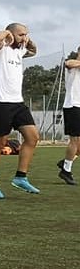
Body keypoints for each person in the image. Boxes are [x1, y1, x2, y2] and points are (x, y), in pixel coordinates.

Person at [0, 23, 41, 199]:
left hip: (17, 103)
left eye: (26, 34)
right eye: (21, 34)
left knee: (33, 137)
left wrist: (27, 40)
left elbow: (34, 50)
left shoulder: (19, 51)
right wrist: (8, 32)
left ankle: (20, 177)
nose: (24, 37)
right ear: (11, 34)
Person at [58, 48, 80, 185]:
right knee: (74, 140)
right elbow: (68, 63)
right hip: (73, 105)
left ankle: (65, 162)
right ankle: (66, 170)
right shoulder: (73, 66)